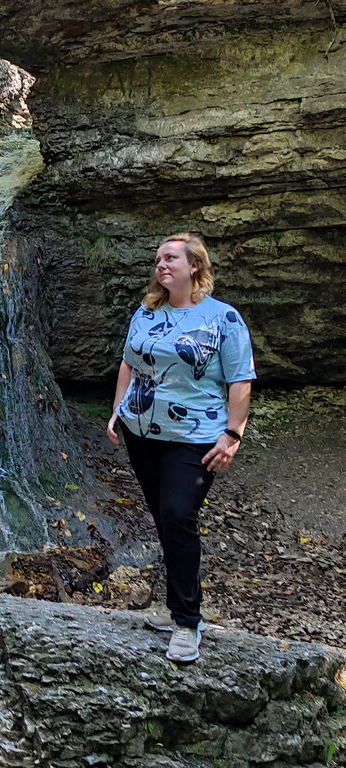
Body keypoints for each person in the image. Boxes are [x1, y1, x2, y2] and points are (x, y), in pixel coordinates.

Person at [106, 232, 255, 663]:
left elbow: (240, 380)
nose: (161, 264)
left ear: (195, 267)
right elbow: (129, 363)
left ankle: (188, 623)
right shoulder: (146, 311)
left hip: (195, 439)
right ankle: (178, 609)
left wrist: (233, 435)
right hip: (142, 433)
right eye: (157, 259)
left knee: (177, 514)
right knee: (165, 520)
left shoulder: (223, 319)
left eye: (170, 257)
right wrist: (118, 409)